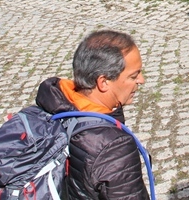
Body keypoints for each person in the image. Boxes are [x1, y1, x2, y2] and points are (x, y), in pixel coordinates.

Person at [34, 30, 149, 199]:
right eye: (134, 75)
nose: (141, 80)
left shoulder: (55, 103)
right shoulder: (114, 147)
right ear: (103, 82)